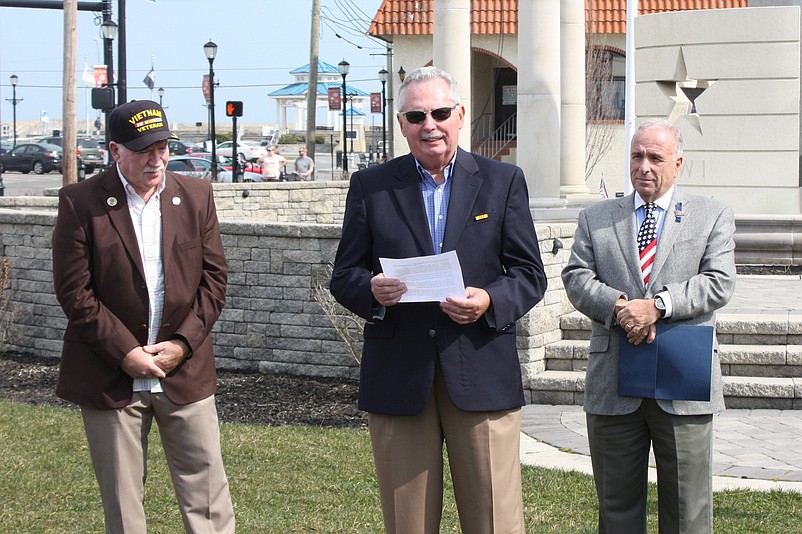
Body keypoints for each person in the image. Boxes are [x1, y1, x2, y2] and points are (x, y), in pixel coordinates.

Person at [330, 66, 547, 534]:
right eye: (416, 115)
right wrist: (371, 290)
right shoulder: (371, 186)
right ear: (401, 122)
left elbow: (530, 274)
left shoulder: (502, 180)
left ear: (461, 115)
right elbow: (344, 274)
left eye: (440, 112)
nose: (429, 124)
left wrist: (489, 299)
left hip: (481, 371)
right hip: (400, 376)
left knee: (495, 520)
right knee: (408, 522)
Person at [52, 100, 235, 533]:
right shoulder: (80, 203)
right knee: (123, 504)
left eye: (162, 147)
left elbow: (215, 281)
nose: (156, 159)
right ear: (115, 151)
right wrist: (126, 353)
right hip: (110, 377)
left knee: (208, 499)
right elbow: (75, 294)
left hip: (185, 372)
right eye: (143, 150)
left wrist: (183, 344)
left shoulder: (195, 196)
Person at [561, 119, 736, 534]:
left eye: (655, 157)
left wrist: (658, 306)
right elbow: (576, 277)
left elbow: (719, 281)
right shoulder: (596, 217)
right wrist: (621, 306)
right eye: (637, 156)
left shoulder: (711, 215)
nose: (644, 166)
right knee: (617, 508)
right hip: (613, 384)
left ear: (677, 163)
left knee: (688, 510)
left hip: (683, 382)